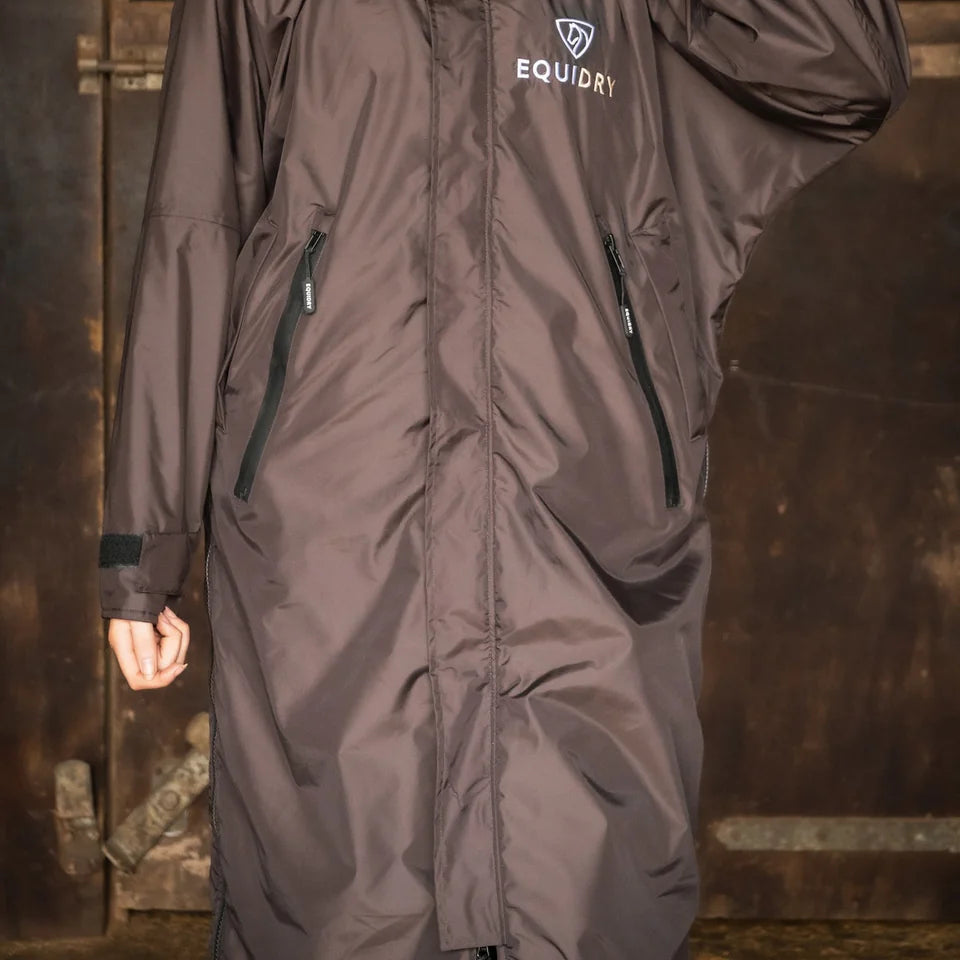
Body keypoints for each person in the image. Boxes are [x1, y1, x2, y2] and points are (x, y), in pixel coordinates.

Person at [98, 1, 911, 958]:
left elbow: (843, 64)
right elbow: (197, 218)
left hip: (578, 506)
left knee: (577, 886)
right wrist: (145, 545)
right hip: (338, 504)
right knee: (348, 893)